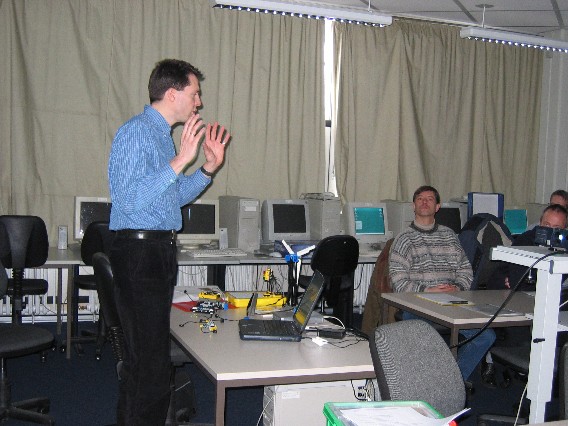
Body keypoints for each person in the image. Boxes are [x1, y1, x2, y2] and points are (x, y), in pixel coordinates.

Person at [108, 59, 231, 426]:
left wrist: (207, 168)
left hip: (156, 251)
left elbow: (170, 198)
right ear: (173, 94)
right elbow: (128, 200)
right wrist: (179, 160)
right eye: (195, 94)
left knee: (149, 360)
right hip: (139, 253)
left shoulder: (161, 137)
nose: (199, 102)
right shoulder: (136, 132)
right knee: (149, 364)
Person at [389, 185, 496, 382]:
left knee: (486, 336)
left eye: (430, 199)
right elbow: (398, 281)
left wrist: (458, 287)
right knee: (422, 337)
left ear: (437, 207)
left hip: (451, 301)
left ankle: (452, 381)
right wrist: (427, 290)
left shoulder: (449, 236)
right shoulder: (403, 239)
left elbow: (465, 270)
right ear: (413, 205)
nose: (424, 202)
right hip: (418, 302)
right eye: (420, 199)